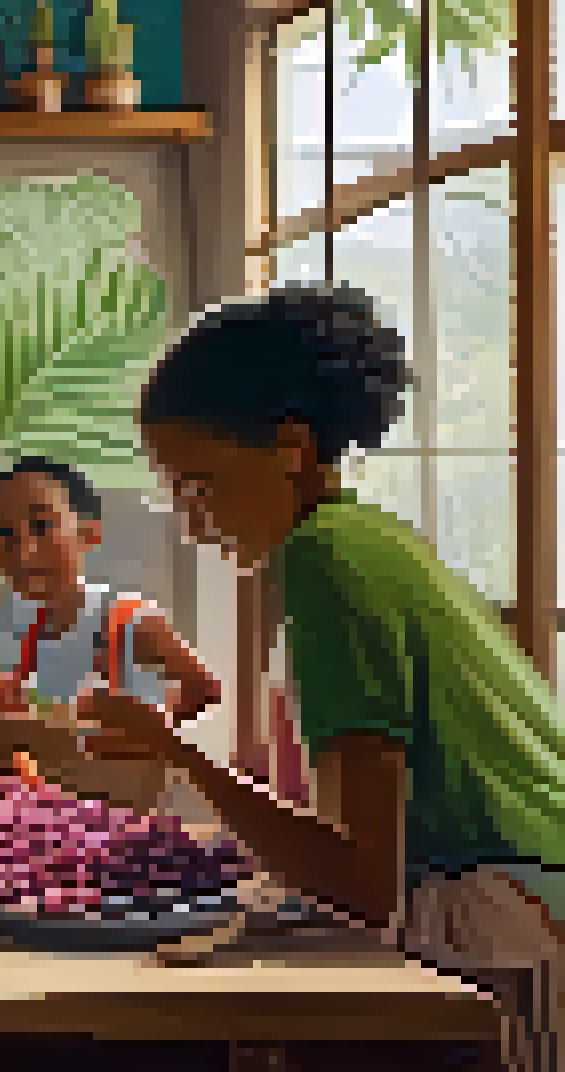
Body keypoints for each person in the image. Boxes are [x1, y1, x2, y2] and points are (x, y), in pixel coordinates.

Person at [86, 282, 565, 1072]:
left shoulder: (326, 563)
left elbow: (360, 878)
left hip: (512, 925)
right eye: (176, 495)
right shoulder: (363, 539)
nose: (193, 521)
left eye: (200, 486)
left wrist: (179, 756)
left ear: (291, 448)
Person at [0, 455, 218, 723]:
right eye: (4, 533)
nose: (24, 552)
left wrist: (150, 728)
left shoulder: (128, 620)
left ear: (87, 534)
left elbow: (205, 689)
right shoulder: (30, 638)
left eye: (41, 526)